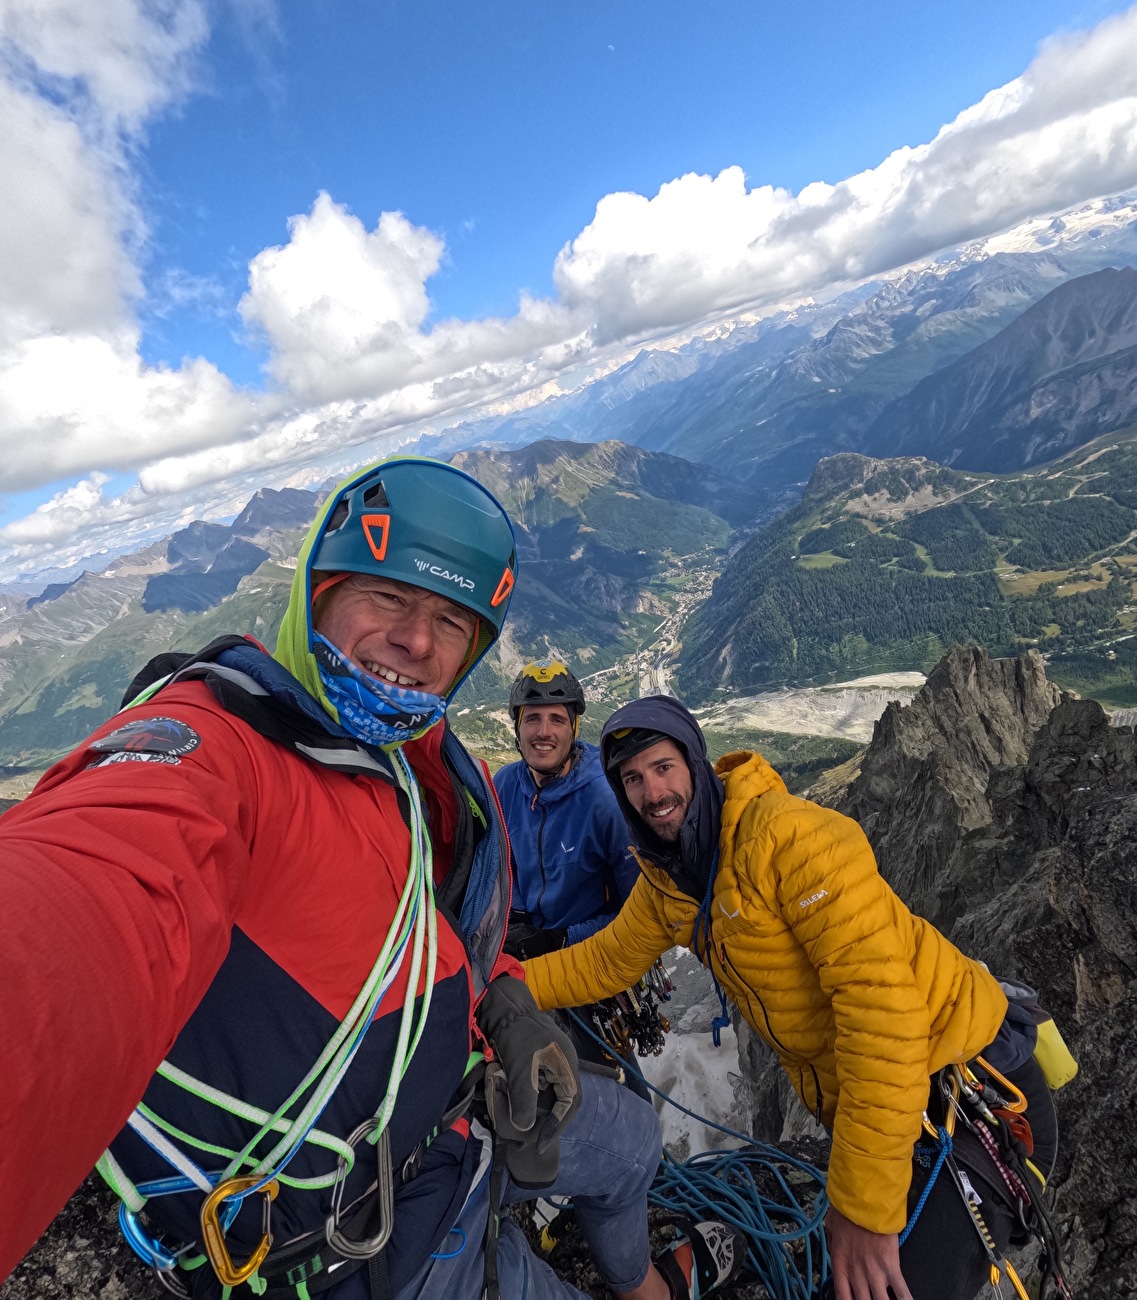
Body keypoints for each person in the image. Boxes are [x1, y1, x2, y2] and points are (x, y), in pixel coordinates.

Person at [0, 460, 721, 1300]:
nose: (417, 641)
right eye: (386, 598)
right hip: (361, 1244)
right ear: (315, 592)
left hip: (460, 1111)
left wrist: (504, 1000)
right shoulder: (214, 756)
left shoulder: (411, 763)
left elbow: (416, 923)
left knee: (632, 1141)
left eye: (452, 620)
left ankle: (642, 1286)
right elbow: (77, 907)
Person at [523, 695, 1064, 1300]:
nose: (653, 792)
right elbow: (604, 961)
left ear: (696, 765)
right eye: (633, 778)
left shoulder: (792, 840)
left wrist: (862, 1209)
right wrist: (499, 989)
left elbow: (881, 1015)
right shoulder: (671, 880)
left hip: (977, 1103)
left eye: (664, 766)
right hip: (903, 1121)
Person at [495, 659, 650, 1095]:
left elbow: (640, 916)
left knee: (612, 1085)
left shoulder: (606, 801)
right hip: (520, 962)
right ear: (518, 727)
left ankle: (645, 1158)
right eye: (533, 719)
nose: (544, 731)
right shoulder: (504, 787)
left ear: (574, 726)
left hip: (587, 966)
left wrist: (562, 939)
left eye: (557, 719)